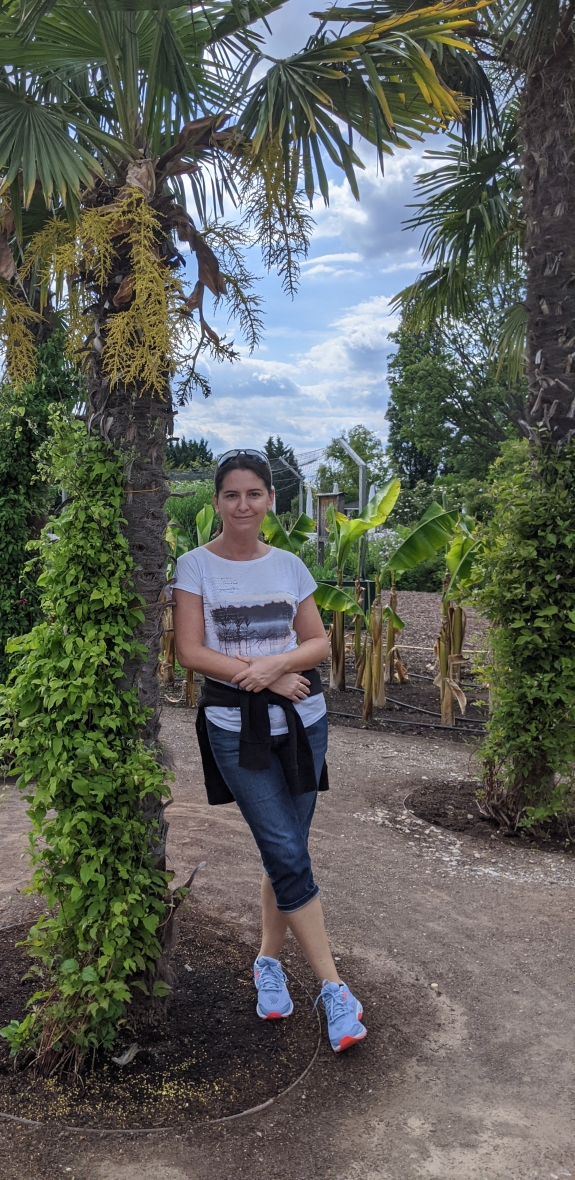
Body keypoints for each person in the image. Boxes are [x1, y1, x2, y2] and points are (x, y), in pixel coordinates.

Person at [171, 447, 367, 1054]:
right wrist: (267, 678)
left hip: (305, 724)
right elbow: (190, 652)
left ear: (270, 500)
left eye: (254, 494)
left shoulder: (290, 565)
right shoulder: (194, 566)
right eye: (231, 495)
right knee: (283, 847)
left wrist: (276, 667)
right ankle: (334, 988)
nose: (243, 505)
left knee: (287, 849)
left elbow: (319, 643)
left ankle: (268, 963)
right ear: (216, 502)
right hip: (236, 728)